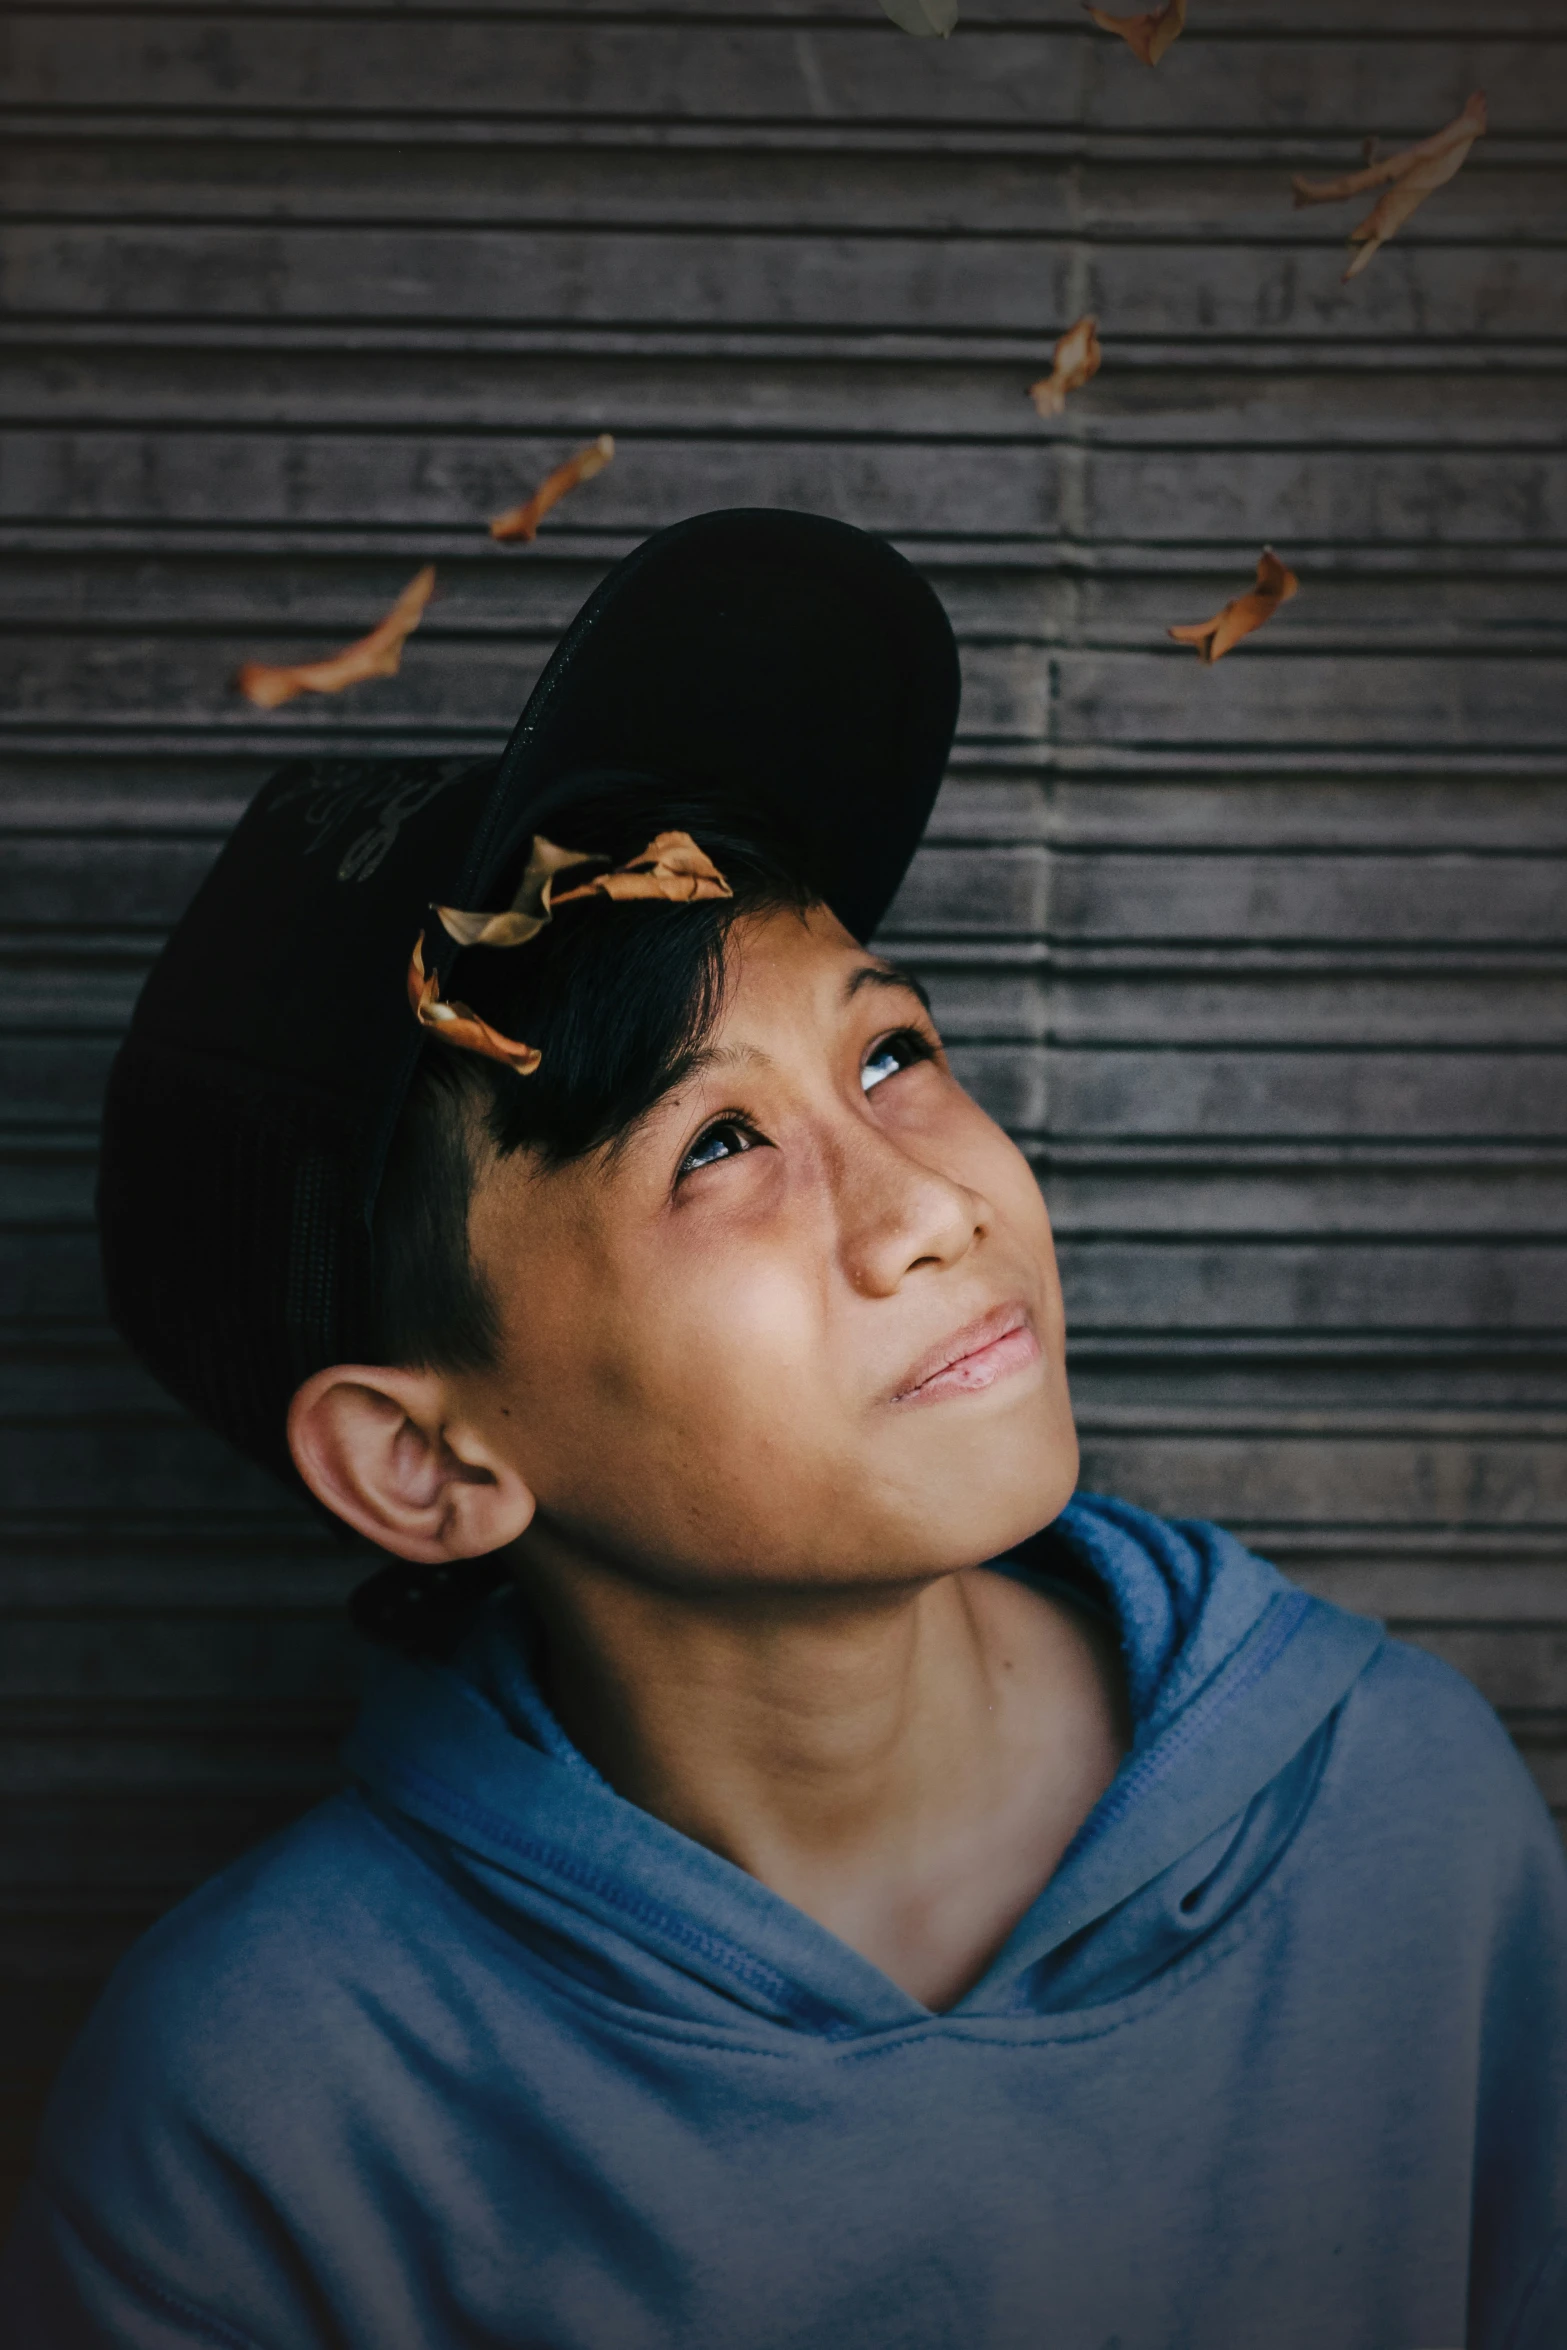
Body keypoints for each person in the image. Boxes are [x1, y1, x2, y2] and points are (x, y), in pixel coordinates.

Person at [4, 510, 1563, 2350]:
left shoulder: (1399, 1818)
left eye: (890, 1052)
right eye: (718, 1146)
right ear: (426, 1461)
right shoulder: (260, 2117)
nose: (930, 1206)